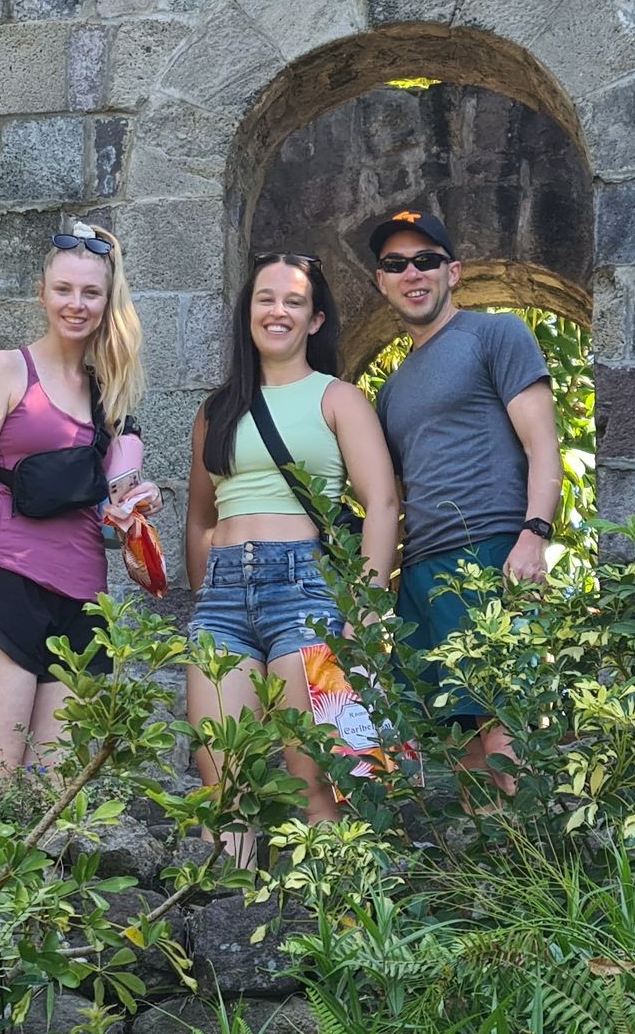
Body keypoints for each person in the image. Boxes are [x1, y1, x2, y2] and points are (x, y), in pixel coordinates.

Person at [183, 253, 400, 864]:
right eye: (265, 299)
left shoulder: (338, 399)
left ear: (314, 320)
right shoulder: (215, 411)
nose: (277, 310)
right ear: (247, 313)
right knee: (223, 787)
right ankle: (228, 937)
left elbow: (382, 503)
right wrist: (208, 592)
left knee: (319, 781)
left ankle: (340, 941)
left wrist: (368, 608)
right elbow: (201, 517)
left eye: (293, 302)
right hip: (223, 598)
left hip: (306, 591)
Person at [0, 224, 150, 773]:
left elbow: (113, 520)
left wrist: (134, 510)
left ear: (108, 301)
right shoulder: (7, 369)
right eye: (64, 289)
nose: (75, 304)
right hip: (3, 580)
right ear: (42, 292)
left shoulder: (113, 395)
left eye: (90, 293)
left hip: (84, 598)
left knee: (55, 795)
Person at [368, 208, 562, 798]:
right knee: (454, 737)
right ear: (382, 282)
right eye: (396, 264)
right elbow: (391, 495)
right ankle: (492, 883)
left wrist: (535, 535)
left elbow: (543, 445)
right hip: (422, 570)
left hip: (490, 549)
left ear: (452, 272)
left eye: (426, 260)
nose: (412, 273)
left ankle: (543, 870)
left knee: (504, 723)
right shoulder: (393, 388)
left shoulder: (495, 334)